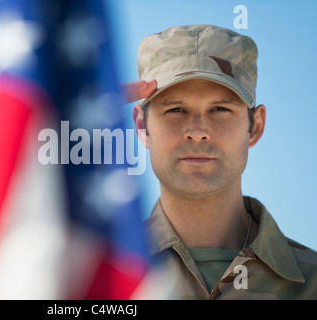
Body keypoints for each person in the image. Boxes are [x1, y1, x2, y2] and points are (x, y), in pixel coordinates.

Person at [124, 24, 317, 299]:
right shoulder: (93, 276)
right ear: (142, 126)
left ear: (255, 127)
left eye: (220, 109)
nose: (197, 130)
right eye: (175, 109)